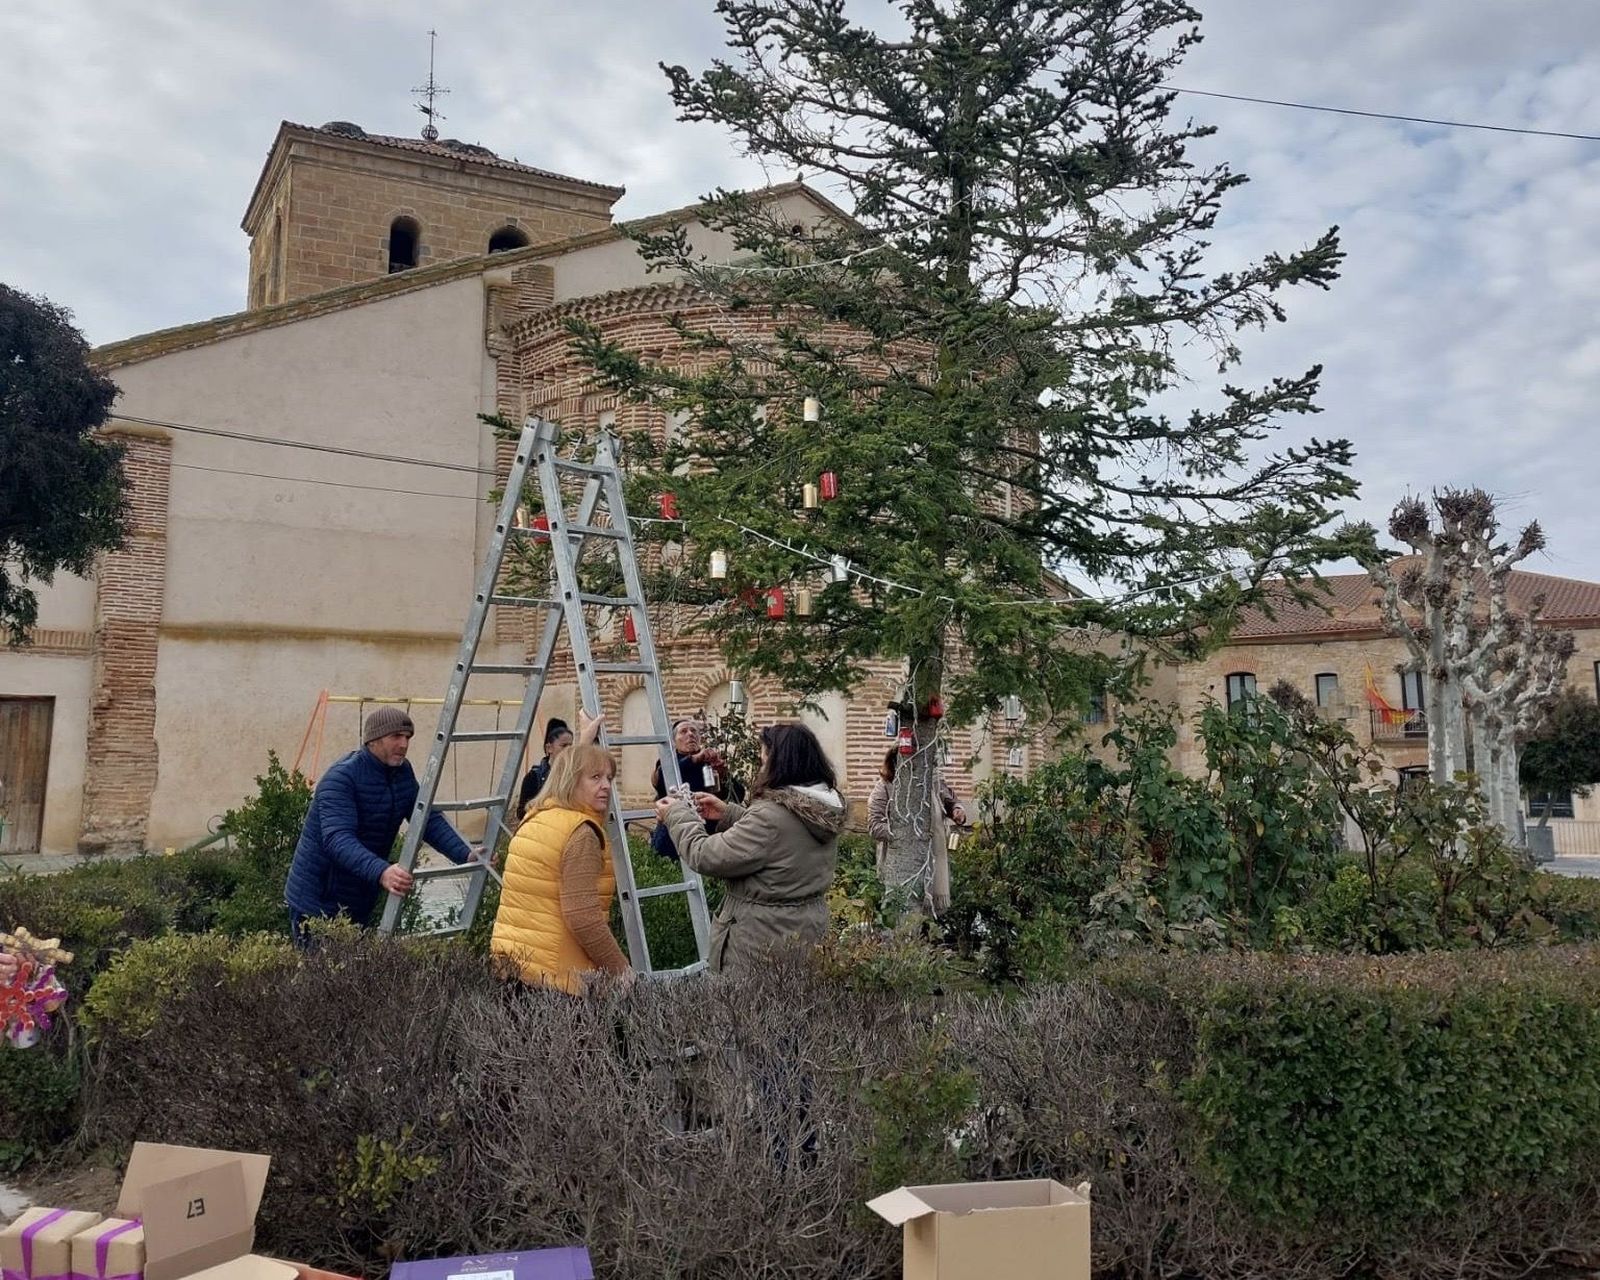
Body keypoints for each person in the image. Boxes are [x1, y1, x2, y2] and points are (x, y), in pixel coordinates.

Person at [656, 722, 846, 973]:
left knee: (749, 1012)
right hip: (802, 932)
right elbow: (784, 838)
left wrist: (678, 813)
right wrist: (730, 814)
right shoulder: (819, 807)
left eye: (764, 760)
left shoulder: (771, 817)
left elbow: (705, 855)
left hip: (760, 945)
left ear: (780, 763)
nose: (762, 766)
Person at [284, 706, 475, 944]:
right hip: (317, 900)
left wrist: (467, 852)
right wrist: (382, 871)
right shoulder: (342, 778)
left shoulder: (402, 772)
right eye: (396, 737)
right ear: (373, 740)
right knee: (320, 976)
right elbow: (338, 839)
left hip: (359, 896)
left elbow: (425, 819)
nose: (404, 744)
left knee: (355, 974)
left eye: (407, 738)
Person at [491, 741, 632, 993]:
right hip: (559, 979)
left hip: (514, 968)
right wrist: (620, 969)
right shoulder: (582, 834)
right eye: (596, 778)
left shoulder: (536, 817)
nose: (606, 786)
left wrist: (585, 733)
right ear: (571, 780)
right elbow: (582, 916)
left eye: (609, 778)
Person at [867, 746, 967, 913]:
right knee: (903, 911)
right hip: (901, 862)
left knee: (930, 916)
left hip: (933, 858)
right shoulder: (884, 787)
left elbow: (950, 801)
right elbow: (875, 826)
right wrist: (905, 834)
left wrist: (957, 810)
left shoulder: (932, 782)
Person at [649, 718, 731, 861]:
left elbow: (737, 793)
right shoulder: (668, 762)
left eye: (694, 731)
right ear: (674, 741)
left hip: (707, 833)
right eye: (683, 731)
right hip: (673, 833)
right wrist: (694, 759)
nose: (690, 734)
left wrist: (723, 775)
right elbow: (662, 780)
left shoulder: (709, 763)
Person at [516, 718, 574, 818]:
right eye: (564, 746)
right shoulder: (533, 777)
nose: (568, 750)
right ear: (549, 748)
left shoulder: (574, 774)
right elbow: (521, 813)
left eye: (571, 745)